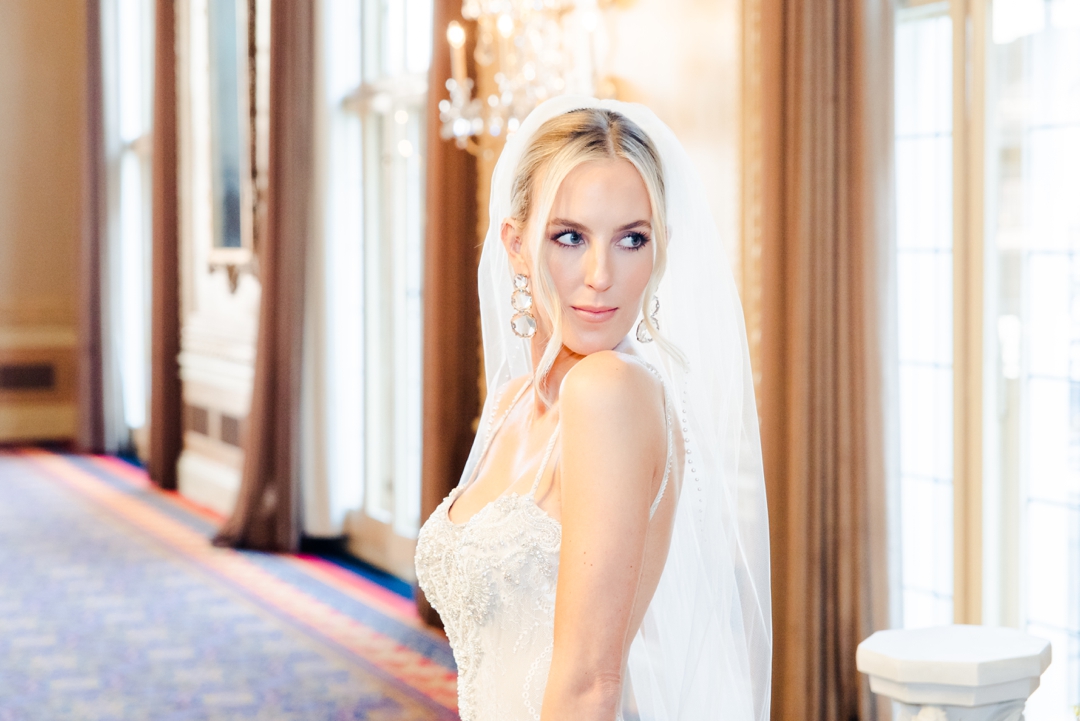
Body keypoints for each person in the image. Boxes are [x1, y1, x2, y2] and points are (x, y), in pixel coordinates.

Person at [414, 97, 771, 721]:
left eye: (631, 239)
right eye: (571, 237)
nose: (601, 274)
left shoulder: (609, 390)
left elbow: (590, 682)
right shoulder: (510, 405)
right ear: (516, 246)